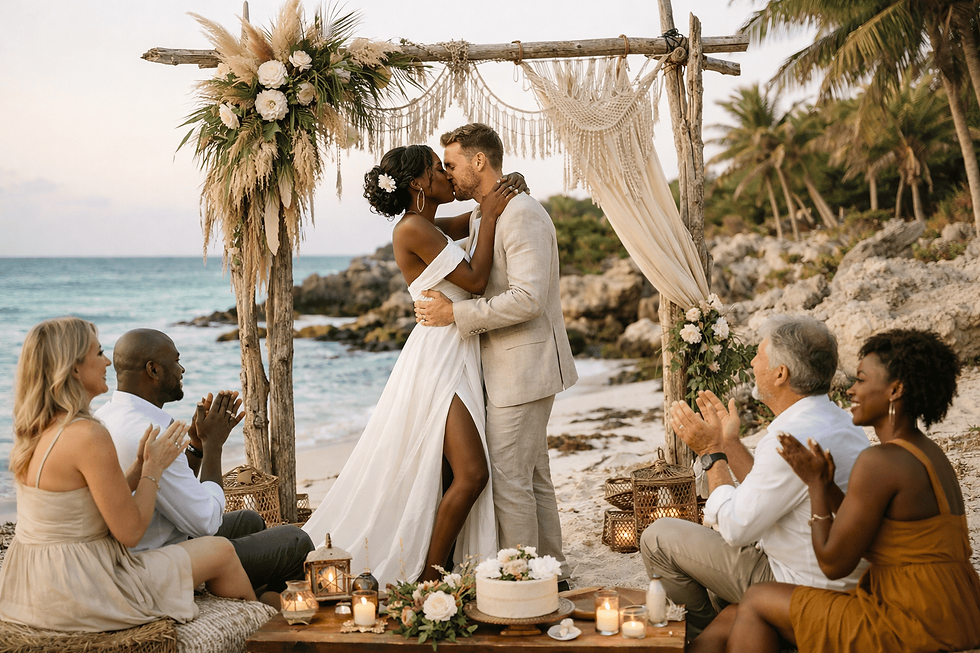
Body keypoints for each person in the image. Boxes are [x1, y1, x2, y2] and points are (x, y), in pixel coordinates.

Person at [303, 143, 524, 585]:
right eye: (438, 168)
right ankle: (427, 580)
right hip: (440, 357)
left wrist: (500, 193)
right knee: (471, 474)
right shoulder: (413, 229)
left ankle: (436, 567)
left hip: (455, 349)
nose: (447, 174)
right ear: (420, 183)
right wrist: (491, 216)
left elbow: (475, 218)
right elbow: (476, 280)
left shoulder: (427, 224)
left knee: (443, 472)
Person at [704, 329, 980, 653]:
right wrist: (827, 484)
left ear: (895, 390)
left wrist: (816, 487)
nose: (850, 390)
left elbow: (833, 563)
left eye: (861, 380)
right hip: (959, 608)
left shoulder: (881, 461)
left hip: (910, 620)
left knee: (756, 599)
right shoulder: (926, 452)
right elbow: (877, 535)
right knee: (731, 618)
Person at [0, 317, 255, 632]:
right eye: (99, 353)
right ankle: (258, 625)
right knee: (221, 550)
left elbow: (88, 502)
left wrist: (139, 466)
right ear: (74, 369)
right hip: (82, 587)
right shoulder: (88, 435)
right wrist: (152, 469)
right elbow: (131, 532)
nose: (108, 362)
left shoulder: (39, 428)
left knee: (244, 525)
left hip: (35, 578)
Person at [414, 123, 579, 585]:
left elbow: (529, 298)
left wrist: (455, 314)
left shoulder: (521, 212)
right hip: (512, 369)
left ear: (479, 161)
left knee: (510, 482)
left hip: (523, 370)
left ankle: (525, 582)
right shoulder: (483, 213)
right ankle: (554, 573)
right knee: (534, 476)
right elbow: (427, 230)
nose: (448, 174)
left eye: (451, 164)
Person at [642, 314, 870, 641]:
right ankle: (726, 625)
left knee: (658, 536)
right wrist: (729, 443)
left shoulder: (789, 435)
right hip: (839, 579)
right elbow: (770, 492)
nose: (752, 362)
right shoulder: (838, 420)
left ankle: (704, 637)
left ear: (780, 374)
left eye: (759, 355)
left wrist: (711, 453)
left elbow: (736, 529)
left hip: (801, 585)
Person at [95, 328, 314, 605]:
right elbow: (206, 523)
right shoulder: (151, 432)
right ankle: (284, 612)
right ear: (153, 370)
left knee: (250, 520)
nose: (182, 369)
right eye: (176, 361)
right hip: (154, 560)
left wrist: (196, 446)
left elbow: (174, 490)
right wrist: (213, 446)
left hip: (139, 546)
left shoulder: (105, 415)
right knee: (295, 542)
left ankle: (259, 600)